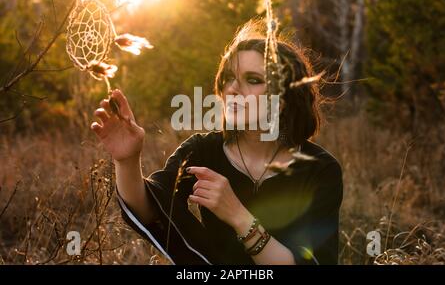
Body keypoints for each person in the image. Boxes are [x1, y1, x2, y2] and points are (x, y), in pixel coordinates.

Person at [90, 20, 343, 265]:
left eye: (253, 80)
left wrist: (239, 216)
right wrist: (127, 161)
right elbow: (151, 211)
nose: (233, 89)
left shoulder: (318, 170)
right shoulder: (202, 151)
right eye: (228, 78)